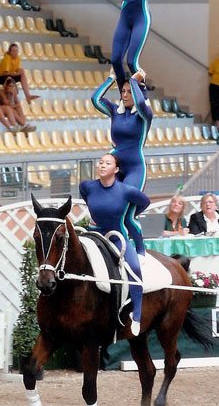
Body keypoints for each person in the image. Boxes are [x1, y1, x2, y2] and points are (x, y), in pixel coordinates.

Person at [79, 153, 150, 336]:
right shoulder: (87, 186)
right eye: (101, 162)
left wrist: (129, 214)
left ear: (116, 169)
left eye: (107, 163)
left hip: (117, 236)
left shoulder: (126, 191)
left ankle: (137, 315)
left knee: (134, 268)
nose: (102, 165)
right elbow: (86, 197)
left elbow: (145, 202)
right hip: (93, 234)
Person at [92, 67, 152, 253]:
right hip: (115, 167)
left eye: (129, 92)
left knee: (127, 215)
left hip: (135, 168)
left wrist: (135, 81)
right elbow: (96, 99)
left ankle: (140, 251)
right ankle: (110, 246)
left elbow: (142, 104)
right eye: (123, 91)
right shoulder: (115, 111)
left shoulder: (144, 116)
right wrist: (111, 78)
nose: (125, 95)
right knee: (109, 207)